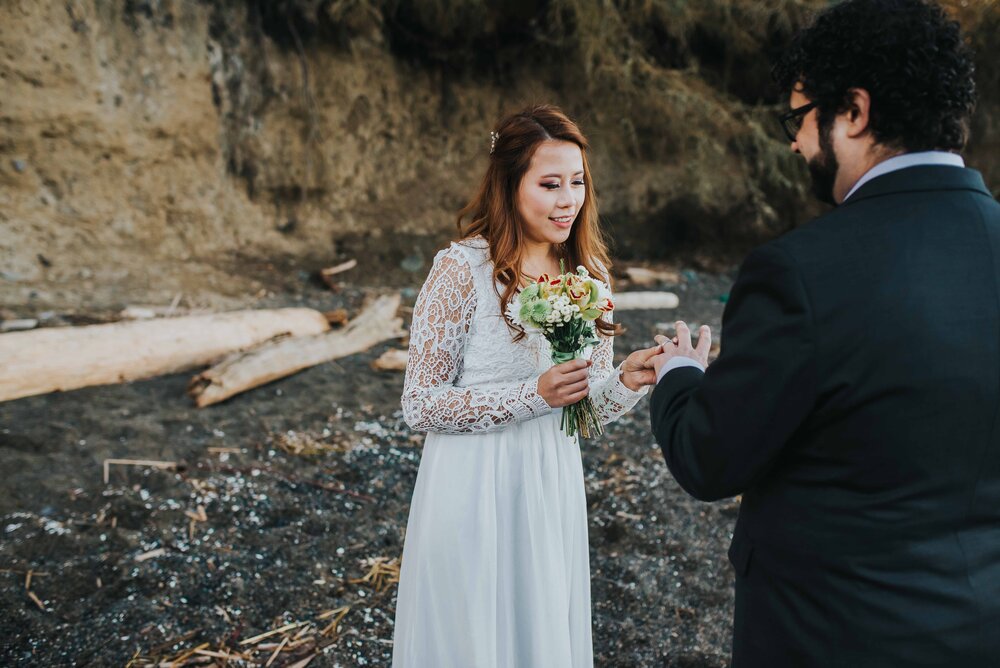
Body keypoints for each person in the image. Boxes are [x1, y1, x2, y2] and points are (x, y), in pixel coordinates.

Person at [646, 0, 1000, 665]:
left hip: (831, 637)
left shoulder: (799, 272)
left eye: (800, 118)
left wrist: (680, 375)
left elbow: (711, 457)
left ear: (855, 112)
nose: (794, 143)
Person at [393, 104, 659, 668]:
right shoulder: (460, 269)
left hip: (548, 483)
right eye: (550, 184)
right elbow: (419, 403)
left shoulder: (589, 275)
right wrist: (531, 395)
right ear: (510, 185)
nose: (569, 200)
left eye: (579, 182)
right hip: (469, 486)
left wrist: (629, 380)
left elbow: (583, 410)